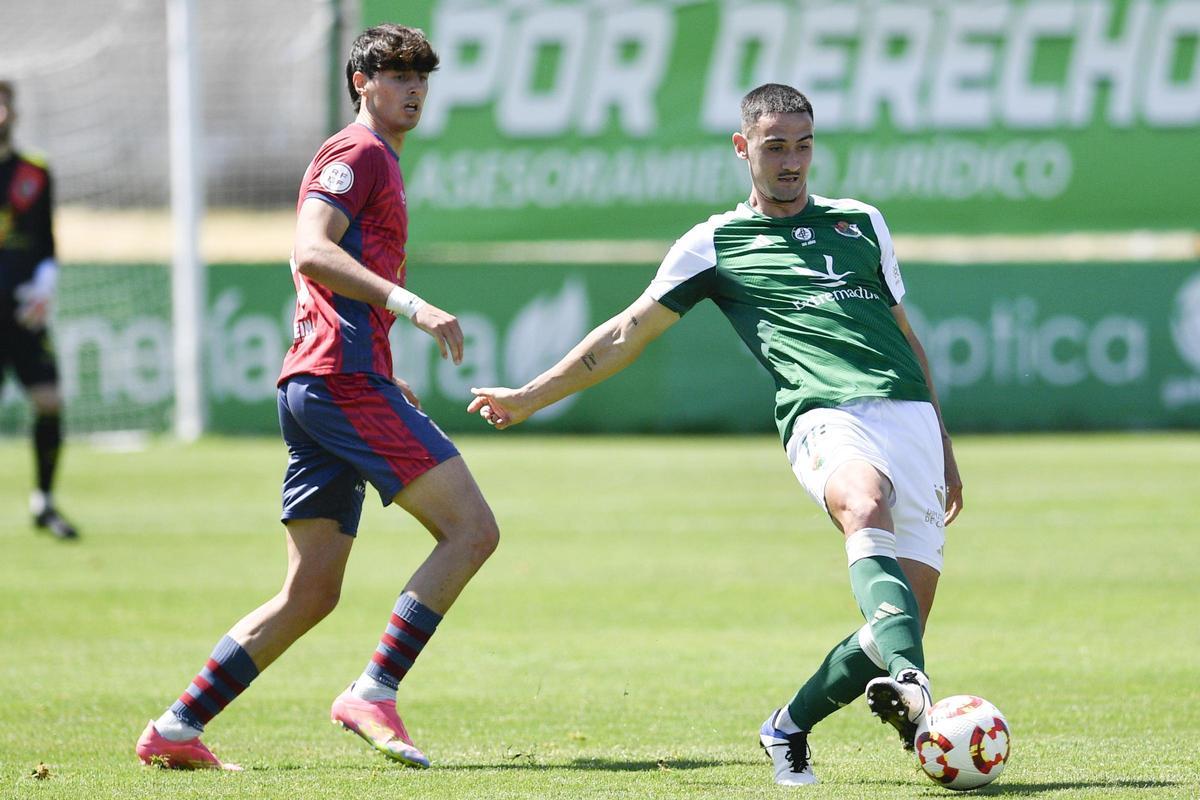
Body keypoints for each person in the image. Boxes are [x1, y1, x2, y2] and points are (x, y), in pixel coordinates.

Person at [468, 83, 963, 787]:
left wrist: (943, 445)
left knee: (892, 622)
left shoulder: (863, 223)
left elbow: (908, 340)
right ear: (743, 149)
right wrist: (531, 396)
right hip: (824, 415)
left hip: (911, 419)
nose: (792, 162)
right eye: (775, 147)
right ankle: (917, 687)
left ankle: (788, 725)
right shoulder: (714, 242)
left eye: (803, 145)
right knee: (862, 504)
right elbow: (624, 333)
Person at [135, 24, 500, 771]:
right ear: (360, 81)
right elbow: (310, 248)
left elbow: (328, 275)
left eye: (421, 75)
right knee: (472, 531)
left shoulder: (380, 160)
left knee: (310, 594)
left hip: (329, 380)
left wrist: (381, 354)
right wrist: (409, 305)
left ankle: (175, 729)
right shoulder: (358, 152)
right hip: (338, 383)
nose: (414, 86)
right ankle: (375, 689)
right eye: (396, 74)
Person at [0, 80, 78, 540]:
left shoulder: (34, 172)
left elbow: (46, 241)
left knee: (49, 401)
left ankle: (44, 503)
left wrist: (45, 282)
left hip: (22, 314)